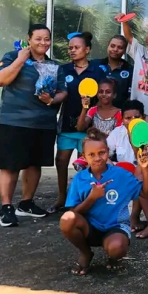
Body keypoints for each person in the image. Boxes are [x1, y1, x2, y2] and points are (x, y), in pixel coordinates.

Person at [59, 128, 148, 274]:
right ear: (84, 156)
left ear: (108, 152)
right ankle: (86, 253)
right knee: (67, 219)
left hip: (115, 227)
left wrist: (145, 170)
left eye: (101, 153)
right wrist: (92, 198)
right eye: (91, 154)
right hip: (89, 227)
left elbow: (146, 195)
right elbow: (74, 212)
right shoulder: (79, 178)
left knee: (117, 248)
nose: (97, 158)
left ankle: (113, 257)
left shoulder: (121, 175)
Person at [0, 24, 60, 226]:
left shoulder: (54, 66)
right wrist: (21, 60)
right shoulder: (12, 56)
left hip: (43, 123)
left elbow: (61, 92)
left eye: (47, 39)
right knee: (10, 166)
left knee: (34, 164)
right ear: (29, 39)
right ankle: (6, 208)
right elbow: (0, 80)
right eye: (38, 38)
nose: (43, 43)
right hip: (14, 122)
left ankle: (26, 203)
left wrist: (52, 99)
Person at [53, 32, 106, 213]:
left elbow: (102, 98)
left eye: (76, 47)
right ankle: (61, 198)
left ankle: (84, 200)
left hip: (88, 128)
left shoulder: (97, 71)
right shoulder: (63, 70)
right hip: (66, 126)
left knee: (86, 166)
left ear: (87, 49)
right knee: (61, 162)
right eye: (70, 48)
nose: (72, 51)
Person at [119, 15, 148, 122]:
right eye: (147, 43)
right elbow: (129, 37)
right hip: (138, 111)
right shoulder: (141, 52)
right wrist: (124, 21)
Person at [106, 100, 148, 165]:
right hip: (122, 170)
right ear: (122, 120)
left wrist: (133, 137)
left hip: (144, 169)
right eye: (128, 118)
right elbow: (104, 153)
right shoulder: (117, 132)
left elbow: (144, 162)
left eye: (137, 117)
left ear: (144, 118)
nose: (133, 121)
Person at [90, 35, 133, 110]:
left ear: (125, 51)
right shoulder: (94, 64)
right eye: (112, 46)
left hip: (119, 113)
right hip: (94, 112)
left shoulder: (130, 70)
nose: (115, 49)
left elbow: (130, 96)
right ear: (108, 46)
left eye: (120, 47)